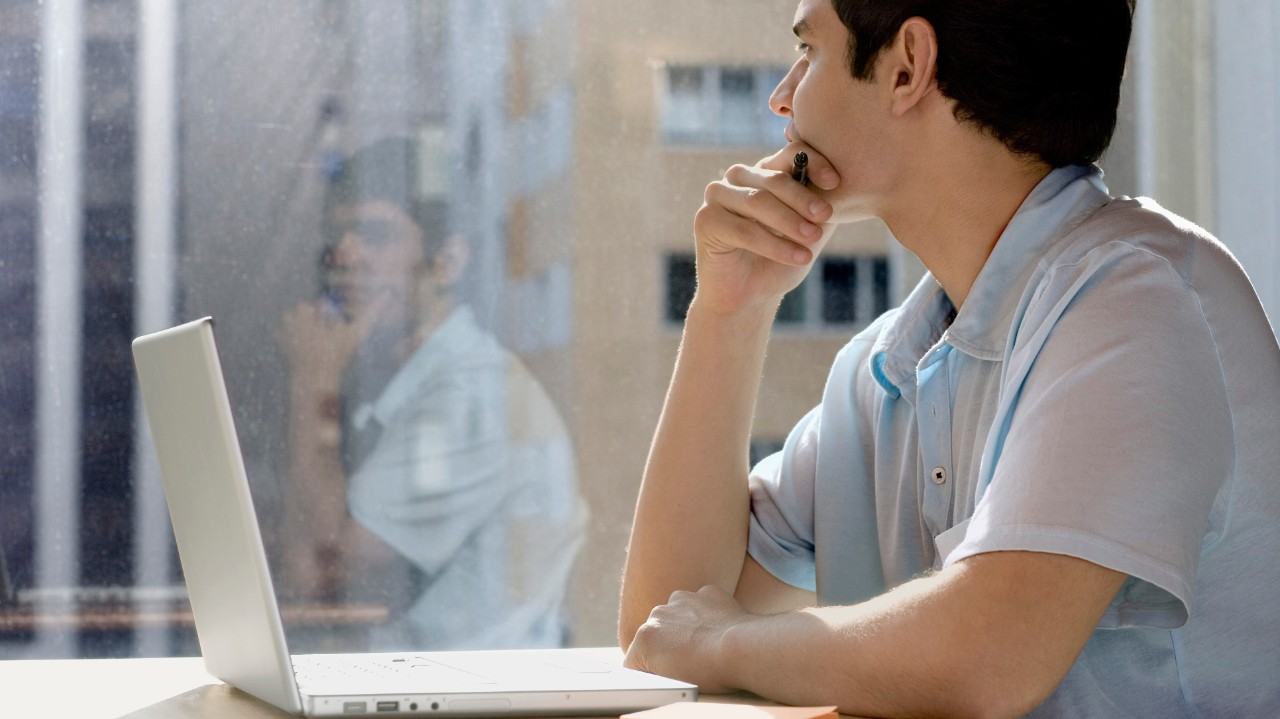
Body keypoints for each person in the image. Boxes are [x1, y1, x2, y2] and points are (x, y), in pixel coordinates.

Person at [618, 1, 1280, 717]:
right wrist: (728, 314)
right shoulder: (884, 367)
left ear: (907, 67)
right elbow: (666, 623)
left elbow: (987, 657)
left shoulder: (1141, 300)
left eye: (808, 51)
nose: (782, 95)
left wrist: (727, 644)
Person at [278, 137, 586, 651]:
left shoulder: (465, 397)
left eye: (376, 235)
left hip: (472, 700)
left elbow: (317, 565)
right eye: (339, 234)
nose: (346, 254)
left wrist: (314, 381)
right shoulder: (416, 379)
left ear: (447, 260)